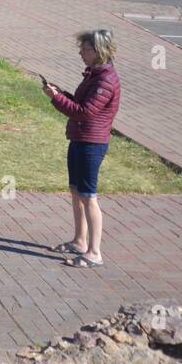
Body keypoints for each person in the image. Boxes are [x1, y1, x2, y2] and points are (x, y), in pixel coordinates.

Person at [42, 29, 121, 268]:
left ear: (99, 52)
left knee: (89, 197)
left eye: (85, 49)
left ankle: (94, 253)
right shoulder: (93, 75)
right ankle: (79, 241)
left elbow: (84, 112)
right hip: (79, 140)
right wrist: (60, 93)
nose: (80, 52)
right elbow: (79, 104)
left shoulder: (105, 80)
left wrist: (56, 99)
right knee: (76, 191)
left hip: (92, 144)